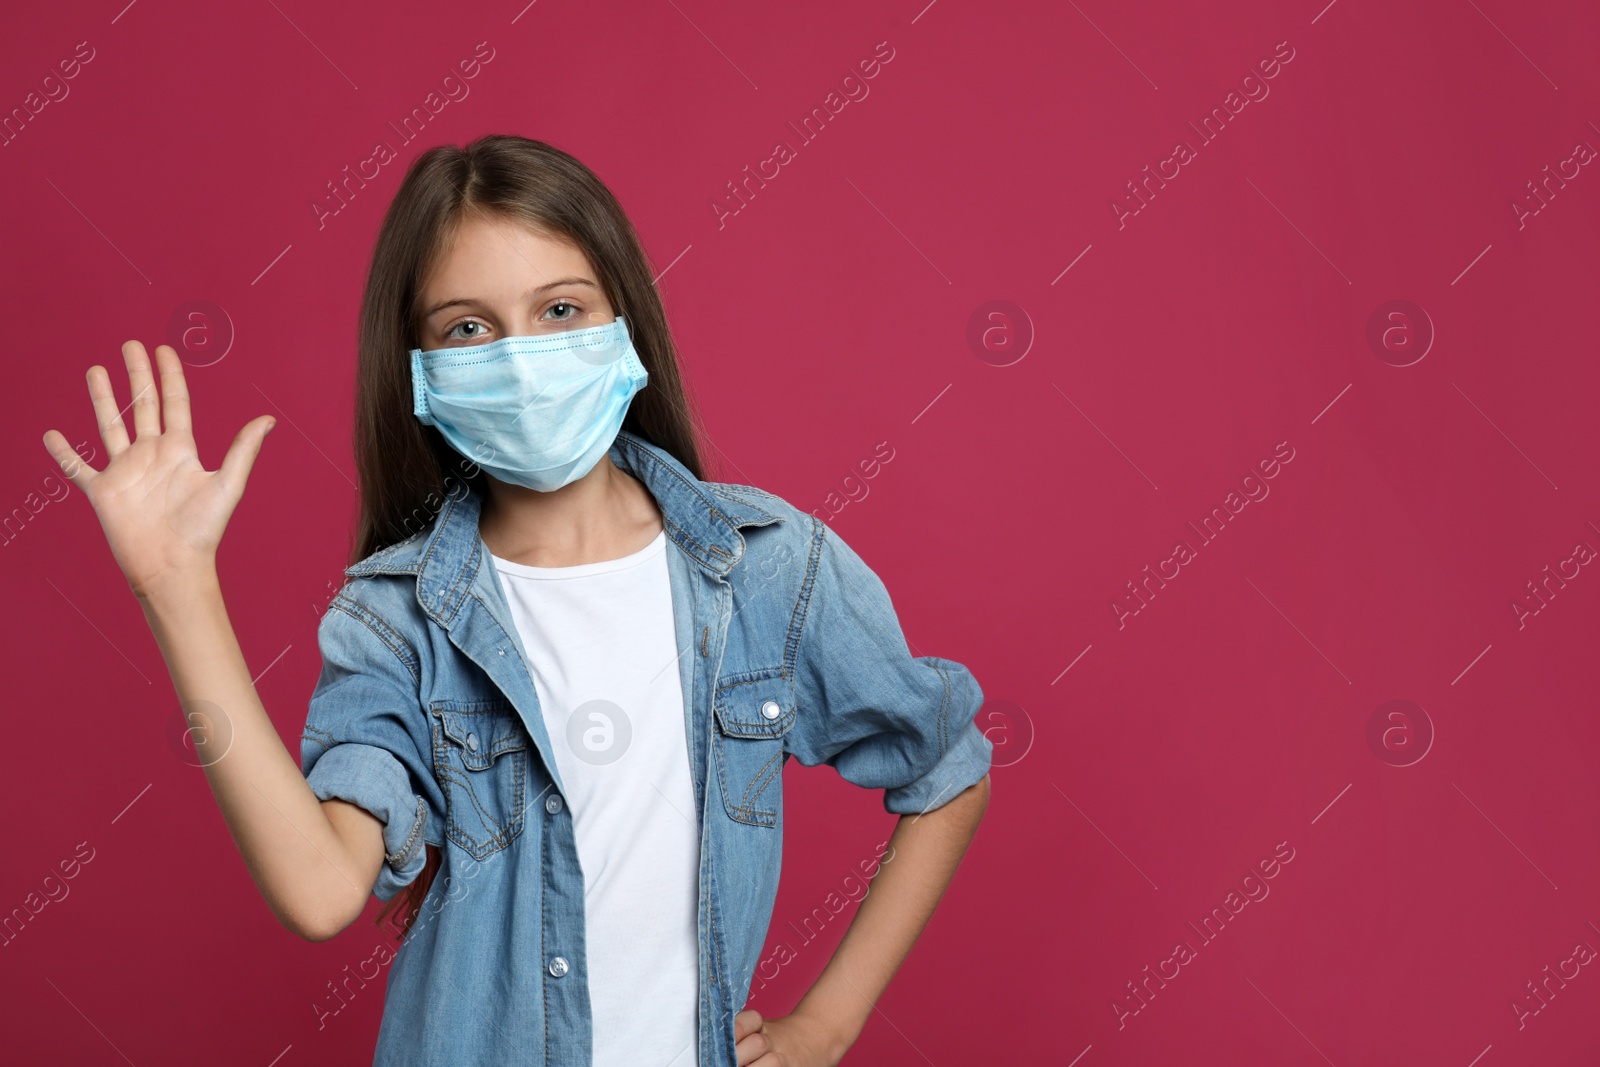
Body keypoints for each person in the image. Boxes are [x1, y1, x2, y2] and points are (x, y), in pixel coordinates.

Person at [41, 134, 992, 1067]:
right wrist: (178, 588)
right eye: (468, 327)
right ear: (418, 370)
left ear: (624, 322)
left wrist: (827, 1023)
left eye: (561, 309)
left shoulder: (767, 568)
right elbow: (322, 889)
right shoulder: (397, 618)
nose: (522, 357)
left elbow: (946, 767)